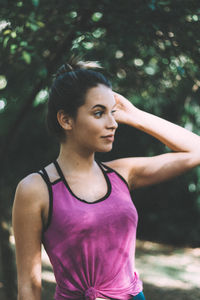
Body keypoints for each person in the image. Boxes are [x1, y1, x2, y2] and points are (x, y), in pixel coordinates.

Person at [12, 58, 200, 300]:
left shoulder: (122, 173)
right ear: (66, 120)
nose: (113, 123)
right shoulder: (35, 189)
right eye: (99, 113)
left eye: (113, 113)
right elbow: (28, 287)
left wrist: (136, 116)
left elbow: (196, 150)